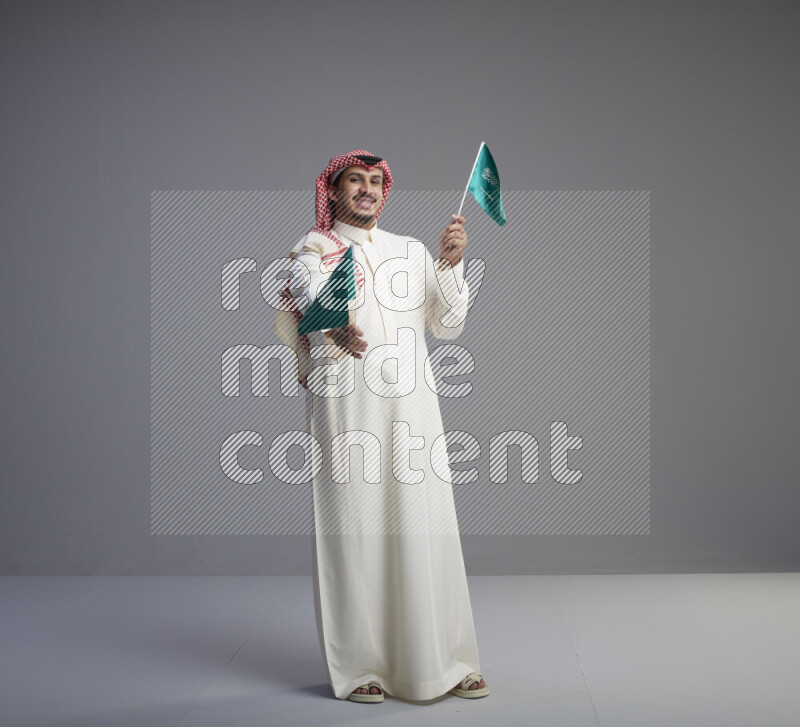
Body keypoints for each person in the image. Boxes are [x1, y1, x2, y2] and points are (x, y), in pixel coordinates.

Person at [273, 149, 489, 703]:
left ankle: (447, 659)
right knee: (355, 529)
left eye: (375, 181)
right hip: (347, 405)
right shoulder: (313, 248)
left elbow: (448, 325)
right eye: (355, 180)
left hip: (413, 406)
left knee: (426, 523)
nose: (367, 189)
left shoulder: (410, 251)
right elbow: (308, 295)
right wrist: (331, 326)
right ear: (333, 191)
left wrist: (451, 264)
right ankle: (360, 669)